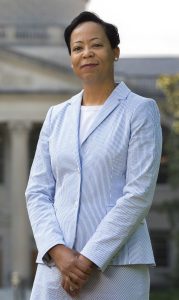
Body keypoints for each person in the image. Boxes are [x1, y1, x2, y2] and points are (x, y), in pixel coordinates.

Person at [25, 11, 162, 300]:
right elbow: (37, 192)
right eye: (77, 48)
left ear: (115, 52)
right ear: (71, 58)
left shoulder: (140, 110)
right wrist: (58, 252)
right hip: (55, 269)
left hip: (117, 267)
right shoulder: (56, 116)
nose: (86, 53)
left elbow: (137, 195)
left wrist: (86, 260)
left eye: (96, 45)